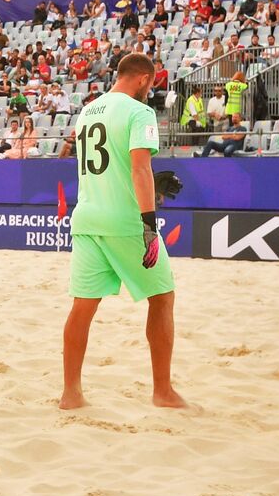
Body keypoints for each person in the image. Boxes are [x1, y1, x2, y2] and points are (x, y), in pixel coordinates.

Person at [61, 54, 187, 411]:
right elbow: (139, 169)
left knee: (82, 307)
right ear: (143, 79)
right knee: (162, 297)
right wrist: (150, 225)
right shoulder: (139, 112)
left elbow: (108, 166)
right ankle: (162, 391)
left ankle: (71, 394)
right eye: (153, 82)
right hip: (124, 221)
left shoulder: (87, 111)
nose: (153, 89)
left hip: (87, 218)